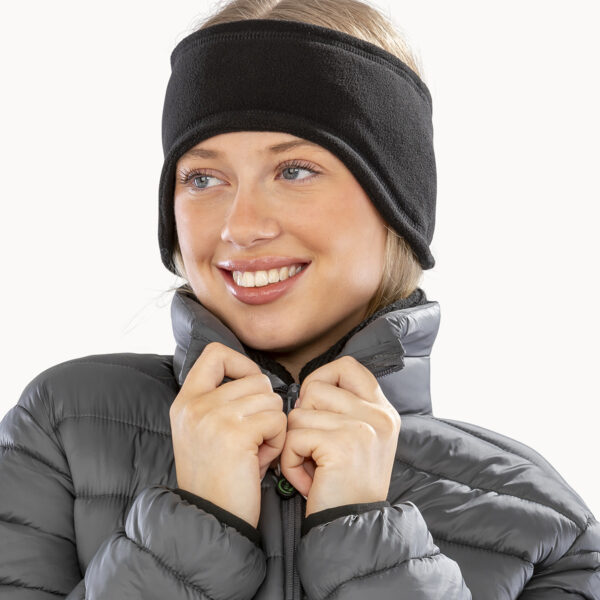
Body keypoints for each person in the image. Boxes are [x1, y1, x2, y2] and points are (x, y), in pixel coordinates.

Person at [1, 1, 598, 598]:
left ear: (396, 203)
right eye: (203, 178)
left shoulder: (546, 530)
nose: (241, 226)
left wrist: (366, 541)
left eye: (294, 170)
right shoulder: (61, 430)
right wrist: (194, 527)